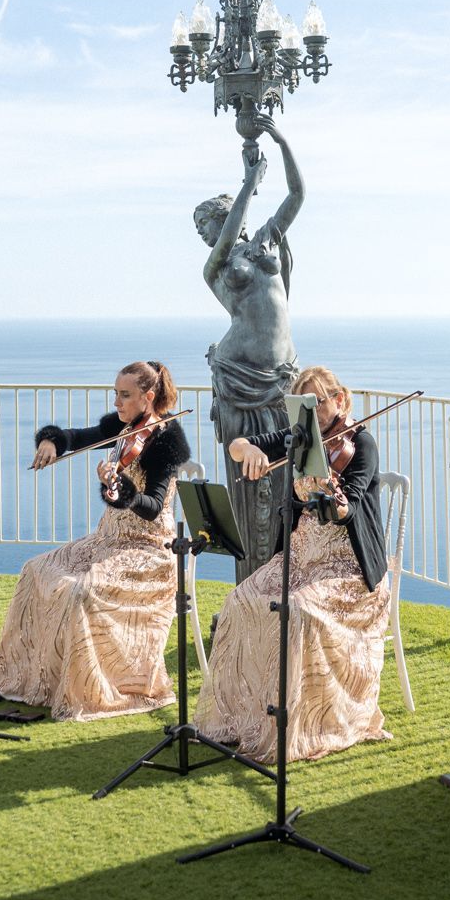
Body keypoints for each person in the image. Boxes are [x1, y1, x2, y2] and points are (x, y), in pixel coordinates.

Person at [195, 365, 391, 766]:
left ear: (340, 400)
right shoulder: (299, 440)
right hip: (299, 558)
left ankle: (305, 724)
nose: (313, 411)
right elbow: (240, 444)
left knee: (296, 612)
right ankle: (242, 717)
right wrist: (247, 450)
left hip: (347, 567)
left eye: (319, 402)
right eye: (303, 405)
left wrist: (333, 500)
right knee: (239, 600)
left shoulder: (362, 444)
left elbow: (347, 508)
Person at [0, 360, 189, 719]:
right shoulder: (123, 426)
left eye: (124, 395)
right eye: (115, 394)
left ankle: (87, 686)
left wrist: (123, 490)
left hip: (148, 548)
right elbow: (82, 436)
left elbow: (154, 505)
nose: (117, 403)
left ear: (149, 396)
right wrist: (52, 440)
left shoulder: (168, 439)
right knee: (36, 570)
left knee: (81, 590)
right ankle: (27, 677)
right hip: (107, 538)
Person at [196, 117, 304, 579]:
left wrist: (281, 145)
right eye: (201, 229)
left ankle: (282, 580)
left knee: (288, 481)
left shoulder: (264, 241)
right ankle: (252, 588)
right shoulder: (215, 268)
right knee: (249, 484)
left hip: (280, 377)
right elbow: (227, 238)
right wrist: (248, 183)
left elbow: (298, 197)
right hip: (240, 379)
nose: (206, 233)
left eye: (208, 223)